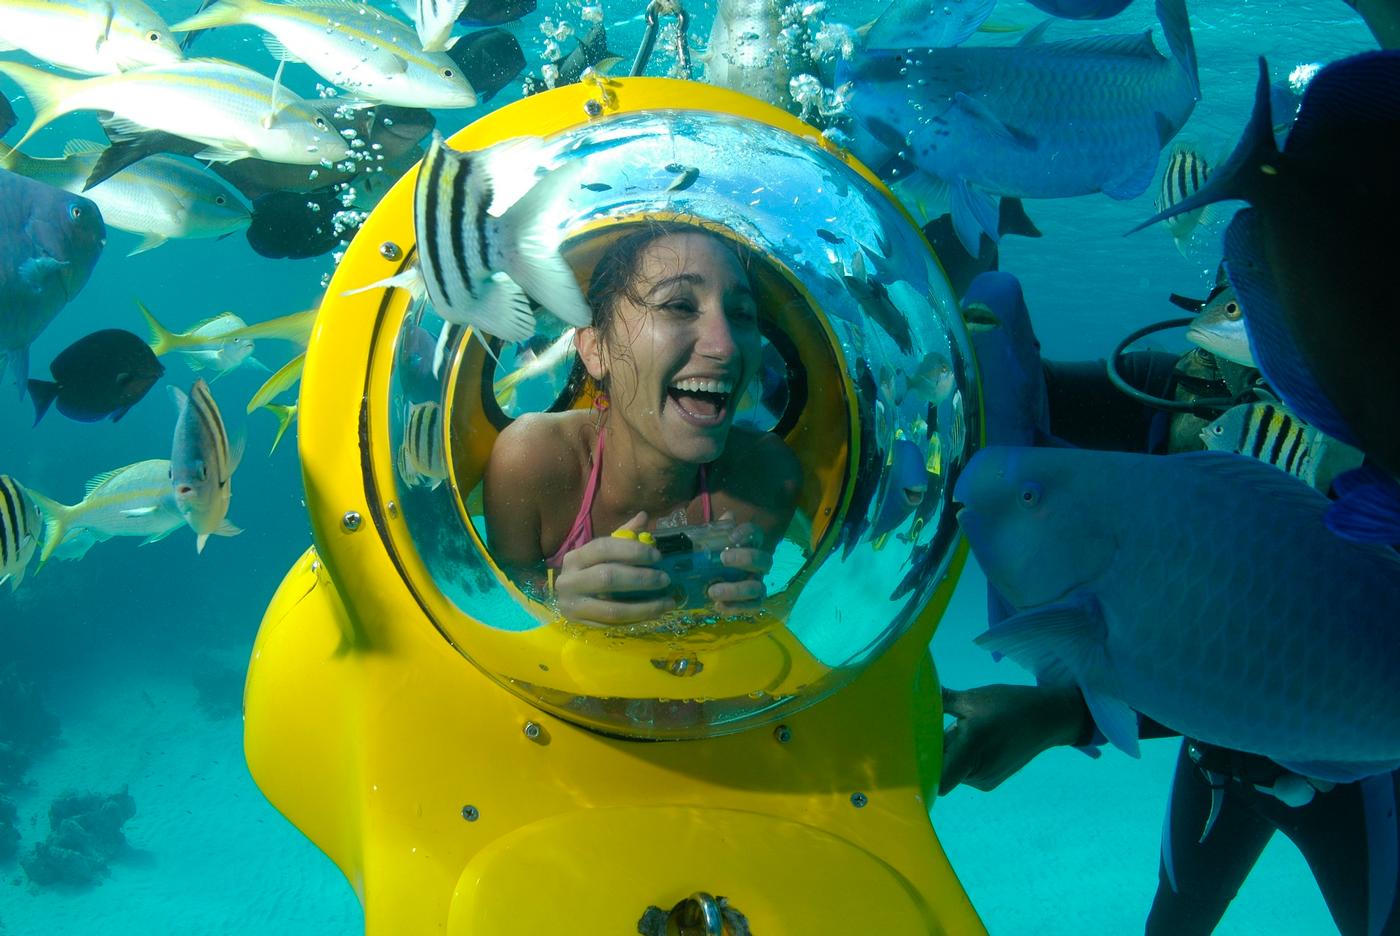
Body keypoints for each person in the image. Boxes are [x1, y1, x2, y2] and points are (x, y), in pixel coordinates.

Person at [943, 271, 1400, 936]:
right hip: (1216, 760)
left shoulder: (1380, 435)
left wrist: (1061, 715)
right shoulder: (1169, 394)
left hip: (1358, 774)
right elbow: (1013, 398)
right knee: (1176, 920)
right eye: (1253, 304)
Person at [483, 222, 803, 625]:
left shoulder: (766, 481)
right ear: (595, 348)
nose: (725, 346)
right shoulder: (532, 461)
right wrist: (553, 602)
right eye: (679, 306)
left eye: (742, 314)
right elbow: (502, 598)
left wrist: (740, 617)